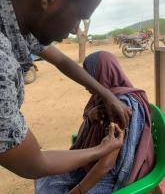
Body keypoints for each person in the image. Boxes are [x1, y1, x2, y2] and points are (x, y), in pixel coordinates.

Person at [0, 0, 132, 180]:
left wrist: (106, 94)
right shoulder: (2, 62)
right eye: (79, 15)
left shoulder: (17, 19)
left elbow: (62, 61)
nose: (74, 29)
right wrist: (101, 150)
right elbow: (34, 163)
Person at [35, 51, 154, 194]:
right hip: (92, 164)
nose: (85, 84)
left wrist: (77, 191)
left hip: (109, 175)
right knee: (43, 175)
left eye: (89, 76)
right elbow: (81, 140)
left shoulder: (121, 106)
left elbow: (107, 165)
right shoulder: (101, 99)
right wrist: (90, 119)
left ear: (102, 75)